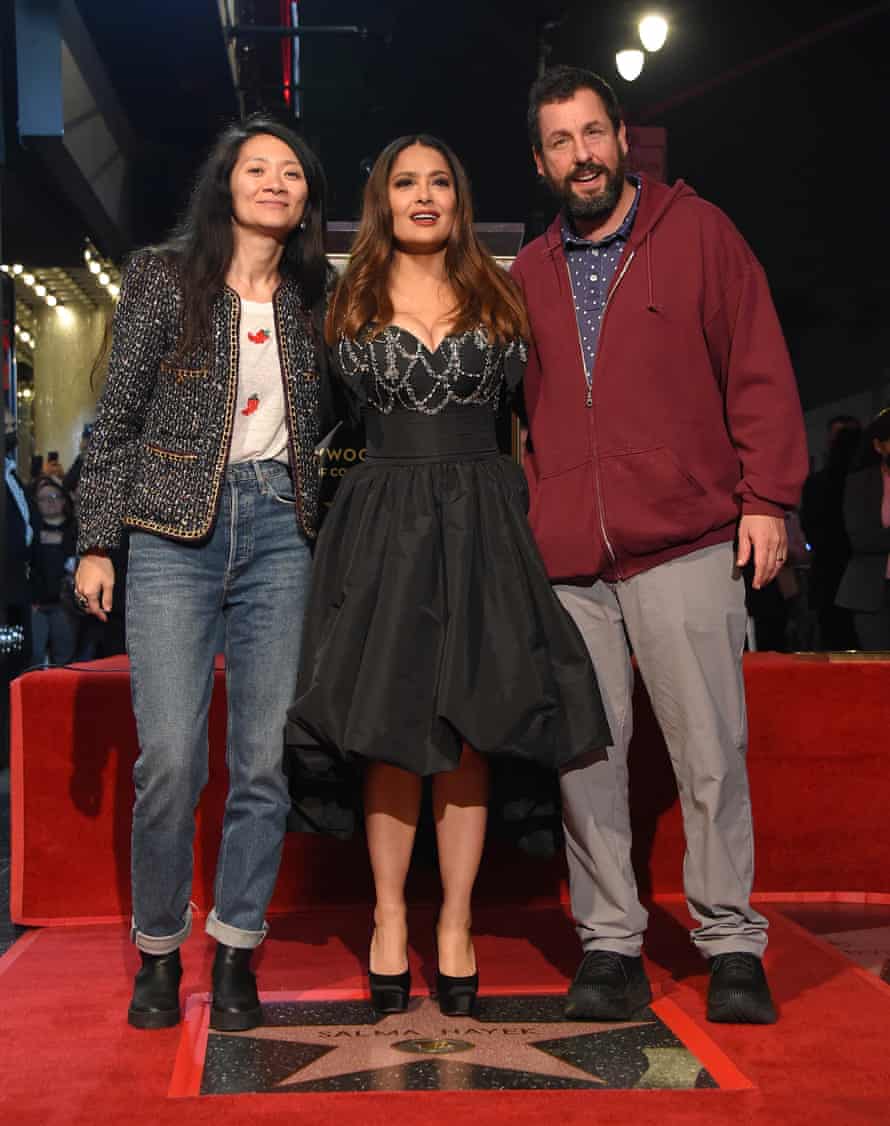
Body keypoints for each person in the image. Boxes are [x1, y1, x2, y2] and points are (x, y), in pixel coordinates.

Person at [287, 134, 610, 1018]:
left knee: (471, 723)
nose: (423, 195)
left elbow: (546, 420)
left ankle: (456, 922)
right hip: (382, 524)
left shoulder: (502, 291)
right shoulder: (342, 297)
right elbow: (300, 421)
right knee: (392, 726)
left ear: (459, 199)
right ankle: (390, 916)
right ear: (382, 198)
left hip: (483, 523)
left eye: (439, 181)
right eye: (404, 182)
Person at [512, 66, 808, 1025]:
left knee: (710, 751)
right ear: (541, 160)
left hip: (687, 537)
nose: (581, 155)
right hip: (569, 560)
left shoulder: (698, 233)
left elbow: (757, 362)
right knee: (586, 758)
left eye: (593, 133)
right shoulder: (527, 274)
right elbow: (512, 418)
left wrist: (768, 497)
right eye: (560, 141)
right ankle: (610, 943)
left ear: (623, 136)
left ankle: (729, 943)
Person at [74, 115, 332, 1032]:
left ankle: (236, 952)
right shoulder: (162, 275)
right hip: (172, 530)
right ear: (225, 183)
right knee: (171, 760)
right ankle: (156, 949)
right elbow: (119, 415)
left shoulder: (316, 297)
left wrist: (330, 521)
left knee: (264, 761)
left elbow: (338, 430)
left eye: (291, 173)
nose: (275, 182)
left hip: (280, 536)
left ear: (307, 200)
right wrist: (97, 539)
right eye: (257, 168)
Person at [800, 418, 861, 649]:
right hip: (842, 576)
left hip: (830, 576)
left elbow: (810, 529)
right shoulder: (864, 482)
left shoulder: (817, 484)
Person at [835, 408, 890, 649]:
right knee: (876, 670)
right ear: (878, 446)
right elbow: (860, 537)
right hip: (870, 592)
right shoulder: (859, 483)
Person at [30, 475, 78, 666]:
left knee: (65, 657)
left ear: (63, 500)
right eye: (43, 499)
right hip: (37, 605)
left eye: (54, 497)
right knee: (35, 654)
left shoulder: (75, 530)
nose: (50, 502)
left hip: (66, 605)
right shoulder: (30, 530)